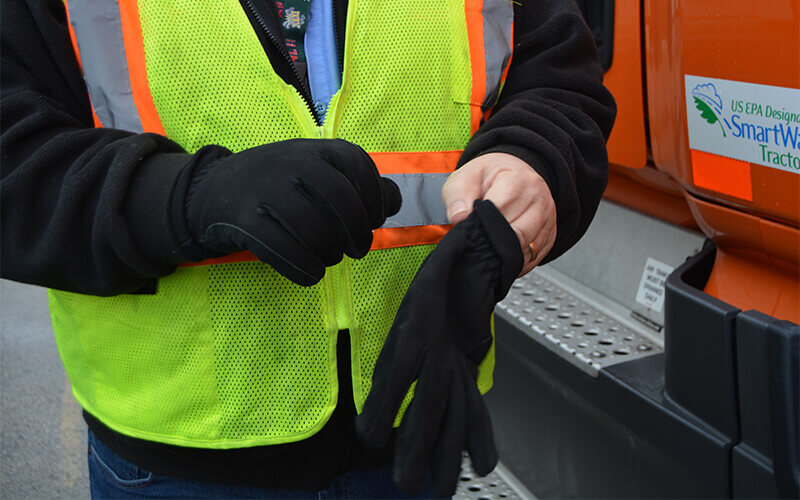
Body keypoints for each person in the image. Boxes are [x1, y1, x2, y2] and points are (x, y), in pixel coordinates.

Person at [1, 0, 616, 497]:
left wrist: (533, 158)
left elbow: (560, 84)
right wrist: (186, 198)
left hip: (415, 435)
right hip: (180, 464)